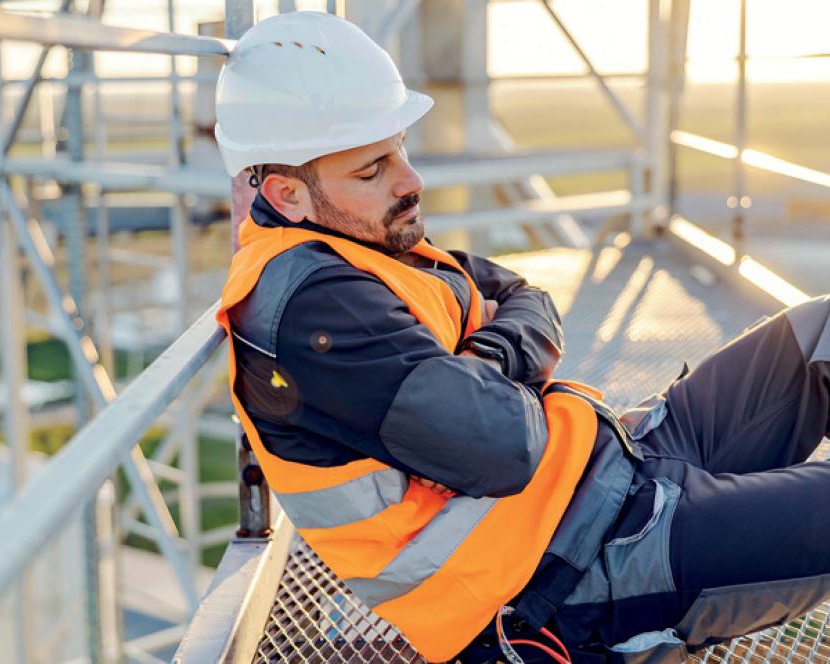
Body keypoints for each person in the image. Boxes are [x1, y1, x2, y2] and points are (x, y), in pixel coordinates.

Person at [214, 11, 830, 664]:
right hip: (580, 572)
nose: (409, 180)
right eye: (372, 170)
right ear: (288, 194)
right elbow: (504, 444)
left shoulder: (366, 245)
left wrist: (480, 359)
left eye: (400, 150)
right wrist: (501, 354)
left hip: (616, 464)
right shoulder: (315, 312)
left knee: (817, 330)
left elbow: (525, 297)